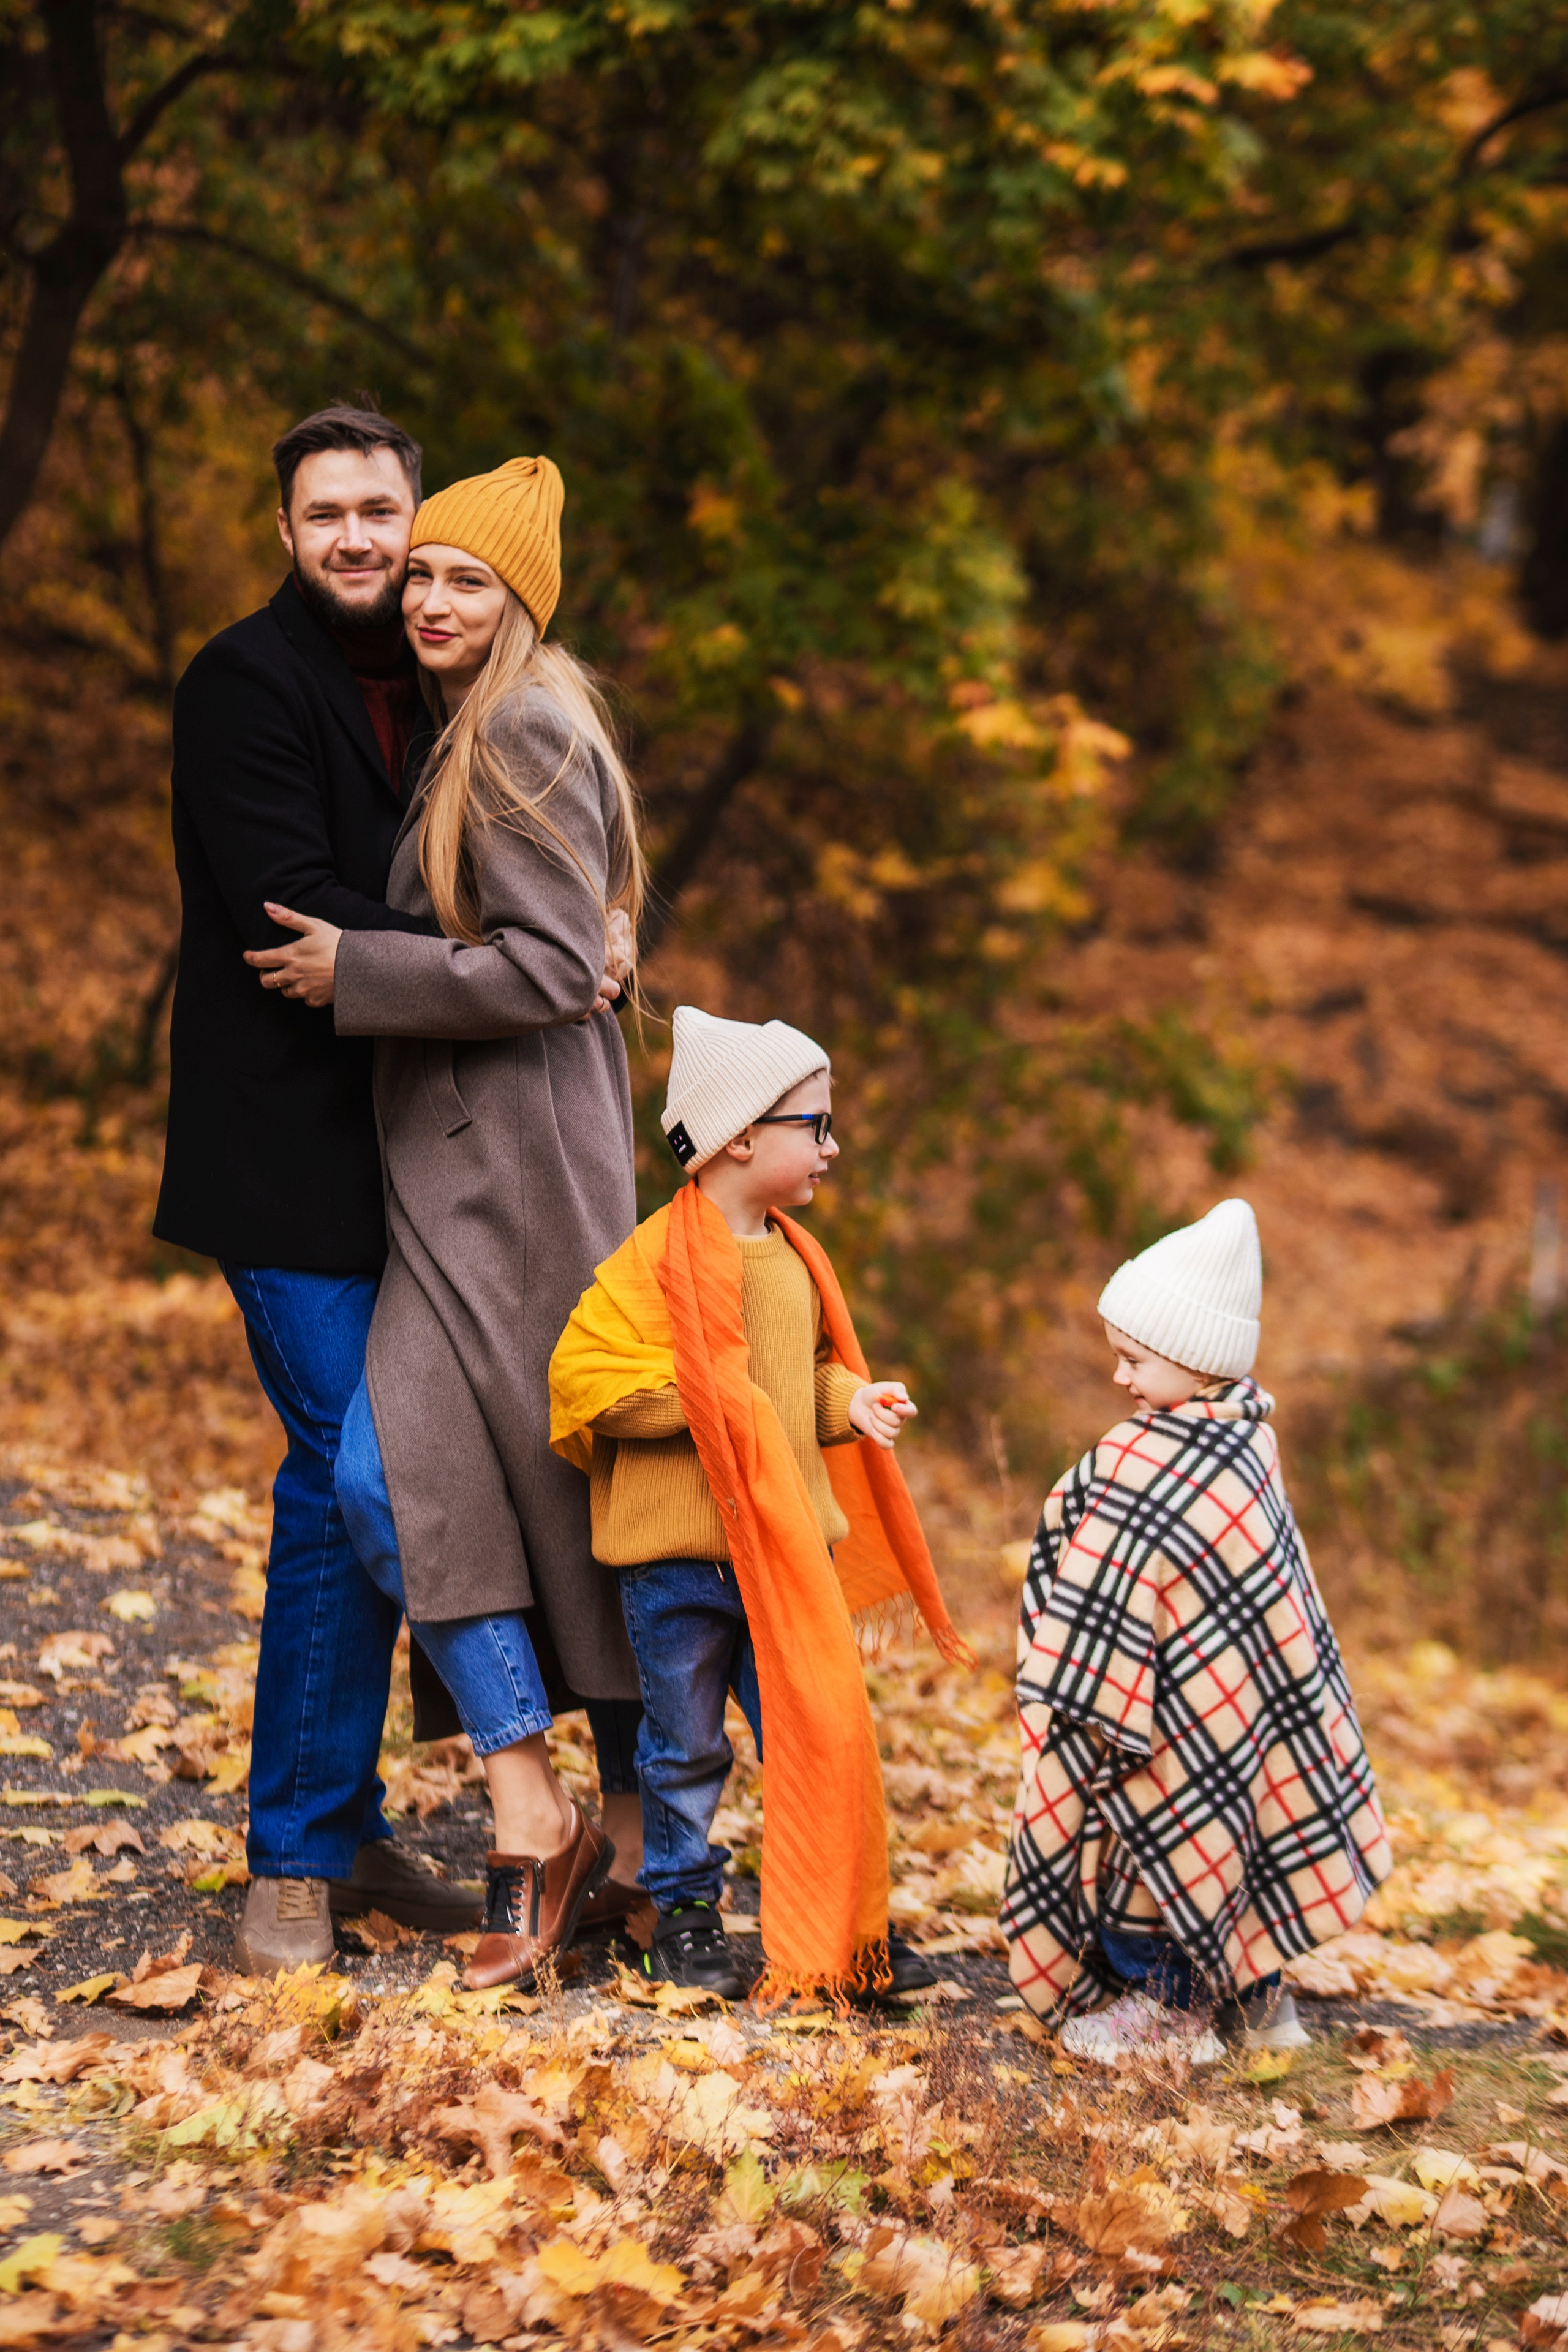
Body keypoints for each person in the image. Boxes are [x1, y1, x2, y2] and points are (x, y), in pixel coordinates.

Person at [249, 454, 647, 1994]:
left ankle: (624, 1838)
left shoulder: (530, 726)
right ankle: (545, 1810)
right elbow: (575, 933)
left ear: (519, 602)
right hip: (457, 1183)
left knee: (522, 1500)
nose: (427, 597)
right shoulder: (480, 721)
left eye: (463, 580)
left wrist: (363, 973)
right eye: (419, 575)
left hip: (518, 1182)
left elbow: (553, 967)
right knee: (411, 1483)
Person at [154, 402, 508, 1972]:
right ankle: (297, 1857)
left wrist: (578, 934)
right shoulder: (243, 683)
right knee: (362, 1467)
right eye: (328, 516)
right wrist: (512, 966)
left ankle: (327, 1833)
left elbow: (510, 864)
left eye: (382, 510)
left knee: (349, 1480)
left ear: (416, 514)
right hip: (283, 1160)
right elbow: (293, 915)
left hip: (426, 1164)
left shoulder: (453, 675)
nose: (362, 541)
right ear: (286, 533)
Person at [549, 1006, 971, 2003]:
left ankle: (838, 1926)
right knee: (685, 1743)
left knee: (814, 1730)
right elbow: (587, 1379)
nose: (833, 1145)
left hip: (787, 1554)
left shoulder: (795, 1261)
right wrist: (704, 1401)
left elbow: (796, 1386)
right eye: (813, 1126)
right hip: (679, 1564)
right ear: (741, 1136)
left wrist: (850, 1402)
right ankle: (684, 1910)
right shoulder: (649, 1262)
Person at [1000, 1198, 1391, 2062]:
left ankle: (1173, 2018)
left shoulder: (1163, 1461)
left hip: (1164, 1724)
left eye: (1134, 1360)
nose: (1120, 1379)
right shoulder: (1245, 1445)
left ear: (1196, 1360)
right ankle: (1262, 2005)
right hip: (1212, 1716)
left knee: (1163, 1843)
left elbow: (1127, 1583)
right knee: (1231, 1823)